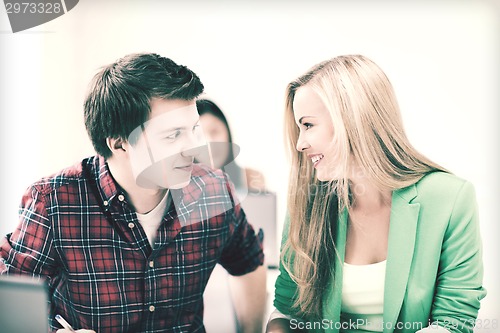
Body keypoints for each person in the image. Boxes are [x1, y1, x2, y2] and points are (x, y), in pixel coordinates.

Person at [0, 52, 267, 333]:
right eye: (173, 135)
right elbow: (9, 304)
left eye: (194, 129)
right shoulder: (53, 202)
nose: (194, 147)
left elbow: (249, 262)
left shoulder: (213, 190)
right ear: (119, 143)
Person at [266, 55, 486, 333]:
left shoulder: (450, 198)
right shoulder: (309, 199)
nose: (300, 143)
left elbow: (454, 322)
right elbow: (286, 311)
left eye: (308, 125)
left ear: (352, 119)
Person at [196, 98, 266, 193]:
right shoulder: (178, 189)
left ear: (227, 132)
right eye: (199, 136)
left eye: (214, 131)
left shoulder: (251, 179)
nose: (209, 142)